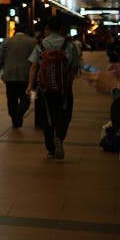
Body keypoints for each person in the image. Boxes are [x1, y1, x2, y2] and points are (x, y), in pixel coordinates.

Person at [26, 16, 79, 160]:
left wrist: (30, 85)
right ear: (61, 29)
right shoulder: (69, 44)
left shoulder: (41, 44)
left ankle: (50, 149)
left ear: (47, 29)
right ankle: (60, 138)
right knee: (64, 116)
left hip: (44, 89)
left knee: (47, 118)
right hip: (64, 89)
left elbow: (34, 66)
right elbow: (74, 68)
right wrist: (68, 84)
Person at [0, 24, 37, 128]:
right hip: (26, 75)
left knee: (11, 98)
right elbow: (36, 60)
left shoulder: (7, 41)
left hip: (9, 75)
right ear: (25, 31)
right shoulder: (32, 42)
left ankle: (14, 118)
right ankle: (20, 114)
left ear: (14, 31)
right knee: (25, 98)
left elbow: (0, 58)